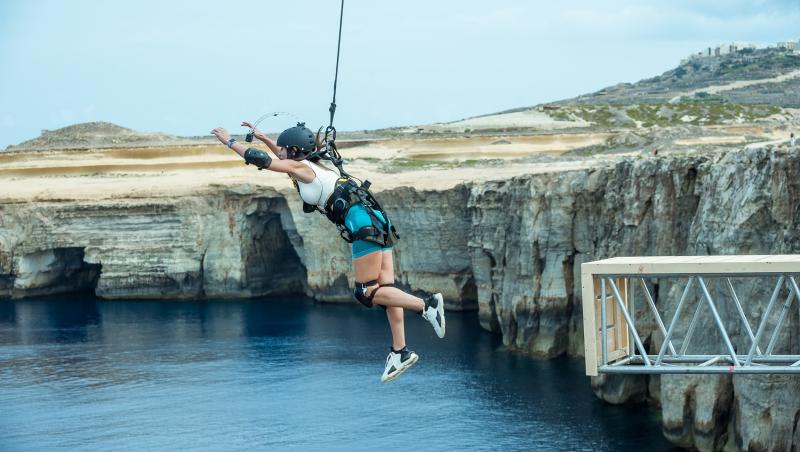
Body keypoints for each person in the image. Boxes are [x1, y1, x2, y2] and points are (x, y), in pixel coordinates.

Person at [211, 122, 446, 382]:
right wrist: (264, 137)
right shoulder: (314, 165)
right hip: (377, 220)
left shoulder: (302, 168)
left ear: (293, 150)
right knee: (387, 290)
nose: (283, 154)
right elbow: (280, 157)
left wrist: (229, 141)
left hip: (363, 226)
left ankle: (427, 305)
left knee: (367, 292)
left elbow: (261, 160)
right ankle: (399, 351)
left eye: (285, 150)